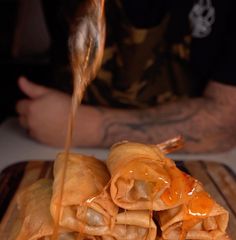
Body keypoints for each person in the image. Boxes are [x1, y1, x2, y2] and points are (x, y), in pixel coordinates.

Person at [15, 0, 236, 152]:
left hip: (190, 161)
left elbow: (224, 125)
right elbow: (26, 41)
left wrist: (82, 126)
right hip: (47, 150)